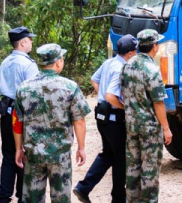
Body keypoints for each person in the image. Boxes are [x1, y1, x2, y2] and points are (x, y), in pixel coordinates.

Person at [13, 43, 91, 202]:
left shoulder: (24, 88)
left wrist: (18, 148)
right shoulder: (70, 87)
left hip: (33, 155)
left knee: (32, 199)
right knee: (61, 199)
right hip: (60, 155)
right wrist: (81, 148)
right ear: (58, 62)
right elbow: (80, 121)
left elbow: (17, 122)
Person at [73, 34, 138, 203]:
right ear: (130, 53)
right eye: (135, 51)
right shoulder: (121, 68)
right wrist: (126, 107)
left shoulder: (109, 62)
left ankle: (83, 187)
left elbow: (94, 80)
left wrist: (102, 96)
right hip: (115, 118)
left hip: (103, 116)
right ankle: (118, 198)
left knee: (108, 154)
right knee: (120, 158)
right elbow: (111, 95)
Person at [120, 29, 173, 203]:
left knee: (133, 168)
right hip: (149, 128)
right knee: (149, 170)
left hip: (131, 125)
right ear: (155, 46)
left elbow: (123, 92)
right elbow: (158, 102)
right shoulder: (152, 70)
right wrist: (166, 128)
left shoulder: (127, 65)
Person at [0, 26, 39, 203]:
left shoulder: (5, 62)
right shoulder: (28, 65)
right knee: (24, 155)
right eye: (30, 39)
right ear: (23, 42)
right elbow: (34, 93)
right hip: (22, 115)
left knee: (8, 155)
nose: (31, 42)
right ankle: (23, 196)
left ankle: (4, 197)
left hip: (6, 112)